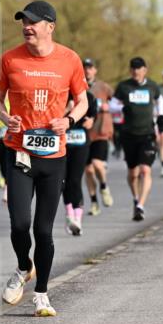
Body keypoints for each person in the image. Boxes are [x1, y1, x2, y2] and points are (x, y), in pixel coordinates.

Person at [0, 0, 88, 317]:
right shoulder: (10, 59)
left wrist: (70, 120)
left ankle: (42, 294)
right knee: (20, 224)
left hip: (53, 155)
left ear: (50, 26)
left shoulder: (69, 59)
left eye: (33, 21)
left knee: (43, 231)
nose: (27, 26)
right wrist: (5, 117)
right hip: (19, 151)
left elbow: (83, 100)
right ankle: (23, 267)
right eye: (24, 21)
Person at [113, 57, 163, 221]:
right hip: (129, 134)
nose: (136, 71)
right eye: (133, 68)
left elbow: (160, 101)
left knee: (145, 170)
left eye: (139, 68)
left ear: (145, 70)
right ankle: (136, 198)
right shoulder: (124, 86)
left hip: (147, 133)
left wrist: (161, 121)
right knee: (133, 174)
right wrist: (122, 106)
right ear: (130, 71)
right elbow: (113, 105)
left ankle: (140, 206)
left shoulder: (152, 86)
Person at [62, 89, 97, 235]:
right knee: (63, 181)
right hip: (62, 144)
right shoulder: (60, 94)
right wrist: (67, 110)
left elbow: (92, 118)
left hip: (80, 144)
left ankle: (77, 220)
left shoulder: (88, 96)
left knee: (75, 180)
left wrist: (91, 120)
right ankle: (69, 215)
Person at [83, 58, 115, 215]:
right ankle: (94, 203)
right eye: (85, 67)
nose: (87, 70)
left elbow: (118, 102)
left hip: (101, 131)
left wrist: (111, 106)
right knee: (88, 171)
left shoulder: (103, 87)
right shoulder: (78, 86)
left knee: (97, 165)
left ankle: (104, 186)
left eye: (90, 68)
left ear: (95, 70)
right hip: (83, 134)